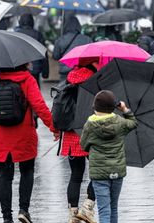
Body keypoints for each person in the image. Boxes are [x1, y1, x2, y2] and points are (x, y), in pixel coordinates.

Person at [0, 64, 59, 223]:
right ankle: (23, 210)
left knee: (5, 176)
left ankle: (6, 218)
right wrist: (53, 127)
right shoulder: (28, 80)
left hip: (1, 137)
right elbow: (40, 106)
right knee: (27, 171)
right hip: (23, 135)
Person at [80, 90, 138, 223]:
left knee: (103, 209)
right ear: (113, 107)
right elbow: (133, 123)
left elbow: (83, 145)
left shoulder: (90, 125)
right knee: (113, 207)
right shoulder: (120, 122)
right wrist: (125, 109)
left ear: (95, 107)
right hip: (117, 171)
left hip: (99, 173)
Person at [59, 58, 99, 223]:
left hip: (70, 135)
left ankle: (73, 214)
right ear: (91, 63)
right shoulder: (95, 80)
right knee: (98, 173)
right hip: (91, 133)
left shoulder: (68, 80)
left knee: (75, 175)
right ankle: (87, 207)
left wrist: (56, 131)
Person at [52, 16, 92, 82]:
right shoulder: (87, 39)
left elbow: (55, 56)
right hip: (81, 71)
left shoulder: (60, 39)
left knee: (63, 91)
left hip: (65, 72)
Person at [15, 14, 49, 87]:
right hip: (35, 69)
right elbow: (43, 53)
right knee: (34, 90)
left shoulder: (16, 34)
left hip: (20, 68)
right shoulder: (38, 34)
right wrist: (45, 72)